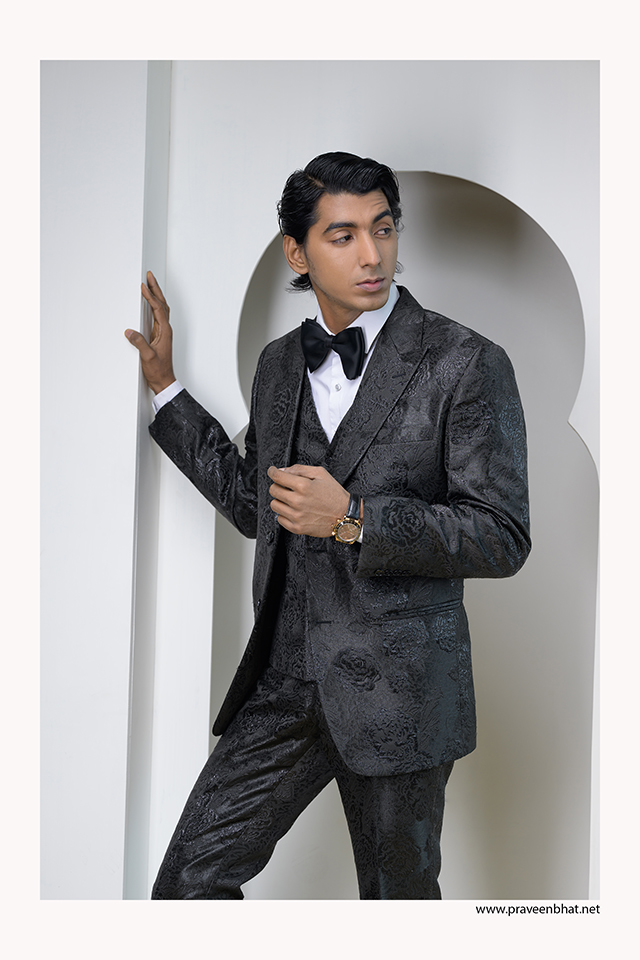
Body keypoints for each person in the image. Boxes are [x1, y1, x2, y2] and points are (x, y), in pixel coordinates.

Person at [125, 151, 531, 900]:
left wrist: (354, 519)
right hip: (284, 682)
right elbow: (256, 506)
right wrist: (167, 392)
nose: (372, 254)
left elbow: (501, 534)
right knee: (188, 884)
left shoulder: (466, 362)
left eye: (384, 228)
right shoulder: (279, 364)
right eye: (343, 236)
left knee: (396, 910)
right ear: (298, 252)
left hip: (401, 689)